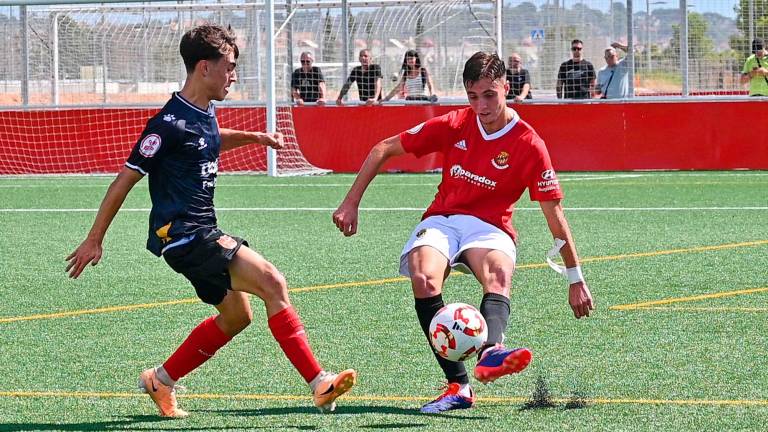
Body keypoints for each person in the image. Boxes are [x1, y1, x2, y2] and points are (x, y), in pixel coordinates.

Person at [66, 24, 355, 418]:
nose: (233, 75)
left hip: (201, 233)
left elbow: (212, 137)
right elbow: (124, 180)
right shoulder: (167, 125)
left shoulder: (203, 113)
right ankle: (319, 382)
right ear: (204, 67)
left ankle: (160, 380)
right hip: (184, 236)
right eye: (229, 66)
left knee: (237, 317)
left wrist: (255, 137)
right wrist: (94, 239)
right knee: (273, 281)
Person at [333, 52, 593, 414]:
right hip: (444, 218)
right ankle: (458, 385)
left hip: (491, 226)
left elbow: (555, 216)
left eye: (489, 95)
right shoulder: (457, 123)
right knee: (423, 277)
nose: (481, 106)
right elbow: (384, 149)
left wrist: (575, 277)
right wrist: (350, 202)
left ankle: (491, 352)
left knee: (498, 274)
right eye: (473, 97)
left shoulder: (529, 143)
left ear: (506, 87)